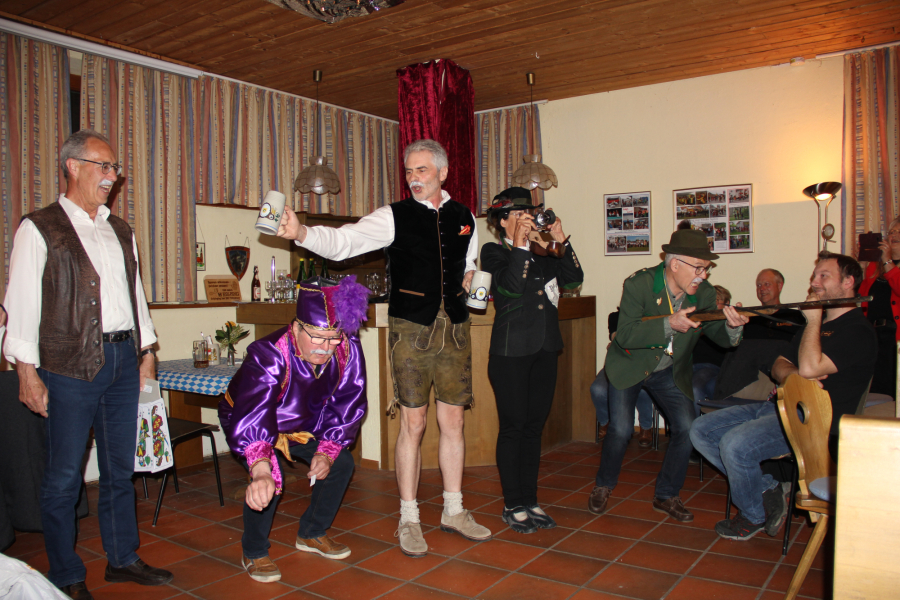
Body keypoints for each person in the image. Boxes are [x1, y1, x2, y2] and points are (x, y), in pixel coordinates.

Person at [276, 139, 490, 557]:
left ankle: (454, 509)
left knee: (453, 421)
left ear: (443, 172)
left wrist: (469, 277)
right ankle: (409, 517)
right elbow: (346, 242)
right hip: (410, 328)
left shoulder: (465, 217)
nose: (414, 178)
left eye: (422, 170)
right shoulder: (394, 215)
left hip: (456, 327)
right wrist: (301, 233)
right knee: (413, 423)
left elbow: (467, 263)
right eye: (409, 171)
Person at [3, 130, 171, 600]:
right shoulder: (39, 227)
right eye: (104, 166)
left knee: (120, 470)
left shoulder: (121, 230)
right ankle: (66, 573)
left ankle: (122, 558)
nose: (112, 176)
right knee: (63, 477)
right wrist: (26, 372)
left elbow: (136, 297)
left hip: (122, 359)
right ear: (73, 166)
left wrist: (147, 352)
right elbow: (21, 304)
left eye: (115, 168)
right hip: (68, 366)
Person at [691, 252, 877, 540]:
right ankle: (769, 488)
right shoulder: (818, 328)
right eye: (814, 275)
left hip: (813, 422)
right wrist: (798, 377)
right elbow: (778, 364)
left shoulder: (857, 331)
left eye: (823, 276)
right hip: (779, 406)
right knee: (700, 430)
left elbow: (811, 366)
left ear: (848, 282)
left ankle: (754, 516)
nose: (814, 282)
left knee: (735, 445)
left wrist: (812, 322)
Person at [589, 229, 748, 522]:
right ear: (675, 264)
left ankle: (666, 494)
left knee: (687, 428)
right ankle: (603, 485)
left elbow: (717, 334)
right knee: (621, 430)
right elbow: (625, 334)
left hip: (669, 370)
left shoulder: (705, 293)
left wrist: (732, 327)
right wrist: (668, 323)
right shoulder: (640, 284)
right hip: (630, 364)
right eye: (698, 267)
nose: (703, 275)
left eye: (707, 268)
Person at [219, 277, 370, 582]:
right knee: (270, 480)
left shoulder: (346, 347)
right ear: (297, 327)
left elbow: (346, 402)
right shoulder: (268, 354)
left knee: (341, 463)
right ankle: (254, 551)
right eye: (317, 338)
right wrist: (261, 469)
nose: (326, 348)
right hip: (252, 421)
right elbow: (254, 412)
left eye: (333, 338)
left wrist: (327, 451)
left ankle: (312, 533)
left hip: (302, 422)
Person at [481, 187, 584, 533]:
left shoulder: (544, 249)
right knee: (513, 427)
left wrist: (560, 238)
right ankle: (513, 503)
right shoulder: (494, 251)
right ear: (502, 221)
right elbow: (510, 287)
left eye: (529, 214)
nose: (526, 220)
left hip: (545, 349)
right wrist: (520, 244)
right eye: (518, 214)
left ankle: (531, 499)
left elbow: (574, 279)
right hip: (510, 353)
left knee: (533, 428)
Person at [591, 309, 655, 448]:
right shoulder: (615, 316)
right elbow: (617, 338)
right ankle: (605, 423)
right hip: (617, 364)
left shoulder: (650, 316)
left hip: (640, 366)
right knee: (597, 389)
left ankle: (646, 427)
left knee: (643, 390)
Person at [859, 218, 900, 395]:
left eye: (899, 232)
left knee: (893, 389)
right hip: (873, 335)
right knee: (874, 390)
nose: (894, 235)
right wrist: (861, 266)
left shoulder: (886, 263)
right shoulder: (874, 266)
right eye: (891, 232)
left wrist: (887, 261)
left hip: (895, 338)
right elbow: (861, 297)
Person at [690, 285, 734, 409]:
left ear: (727, 304)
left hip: (711, 367)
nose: (712, 306)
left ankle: (696, 421)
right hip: (689, 366)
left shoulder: (728, 326)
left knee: (695, 387)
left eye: (717, 301)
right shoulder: (698, 321)